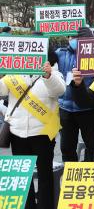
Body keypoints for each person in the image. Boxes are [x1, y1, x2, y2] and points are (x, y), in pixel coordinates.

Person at [0, 57, 65, 209]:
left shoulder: (53, 72)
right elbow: (1, 89)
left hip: (42, 133)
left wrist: (48, 75)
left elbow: (60, 90)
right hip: (18, 133)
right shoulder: (14, 73)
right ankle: (28, 206)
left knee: (45, 176)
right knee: (23, 178)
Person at [56, 27, 94, 162]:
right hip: (65, 109)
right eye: (72, 37)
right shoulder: (60, 53)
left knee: (93, 145)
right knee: (67, 147)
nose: (74, 40)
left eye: (79, 38)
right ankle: (70, 176)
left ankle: (90, 174)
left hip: (88, 110)